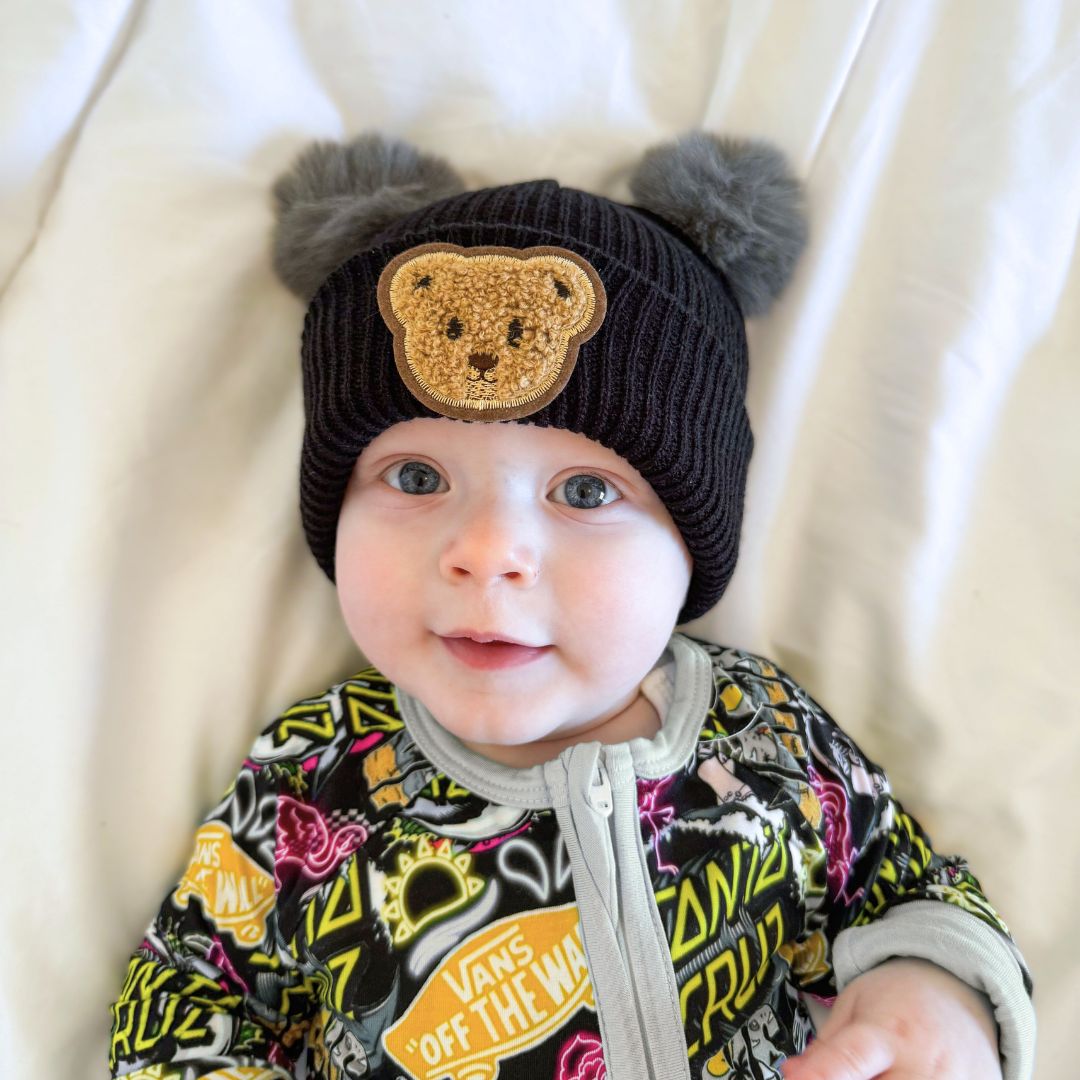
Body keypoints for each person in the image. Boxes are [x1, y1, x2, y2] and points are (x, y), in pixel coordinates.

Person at [106, 130, 1034, 1080]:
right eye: (417, 475)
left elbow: (908, 889)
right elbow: (186, 995)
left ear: (692, 542)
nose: (485, 553)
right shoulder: (311, 781)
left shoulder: (766, 736)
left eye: (585, 492)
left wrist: (940, 994)